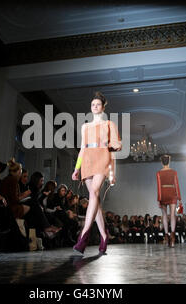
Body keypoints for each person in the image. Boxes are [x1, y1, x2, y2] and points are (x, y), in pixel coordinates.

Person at [71, 91, 122, 255]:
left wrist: (112, 171)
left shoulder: (109, 124)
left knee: (94, 192)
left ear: (102, 107)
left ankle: (84, 235)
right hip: (87, 160)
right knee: (95, 199)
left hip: (102, 158)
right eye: (93, 104)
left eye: (98, 104)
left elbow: (114, 148)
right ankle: (103, 235)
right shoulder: (85, 126)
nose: (95, 107)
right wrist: (77, 168)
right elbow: (82, 149)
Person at [0, 158, 61, 238]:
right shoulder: (12, 180)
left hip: (10, 206)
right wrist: (25, 194)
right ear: (18, 171)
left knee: (33, 211)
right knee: (33, 203)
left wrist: (24, 195)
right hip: (11, 208)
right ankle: (46, 229)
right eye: (21, 171)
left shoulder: (10, 180)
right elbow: (15, 199)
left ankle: (38, 235)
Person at [156, 154, 182, 247]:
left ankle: (166, 236)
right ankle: (173, 237)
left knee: (164, 215)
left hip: (163, 193)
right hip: (172, 193)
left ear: (162, 162)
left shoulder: (159, 173)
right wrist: (179, 198)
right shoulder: (174, 172)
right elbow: (176, 184)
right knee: (172, 215)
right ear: (169, 161)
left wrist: (159, 199)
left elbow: (159, 187)